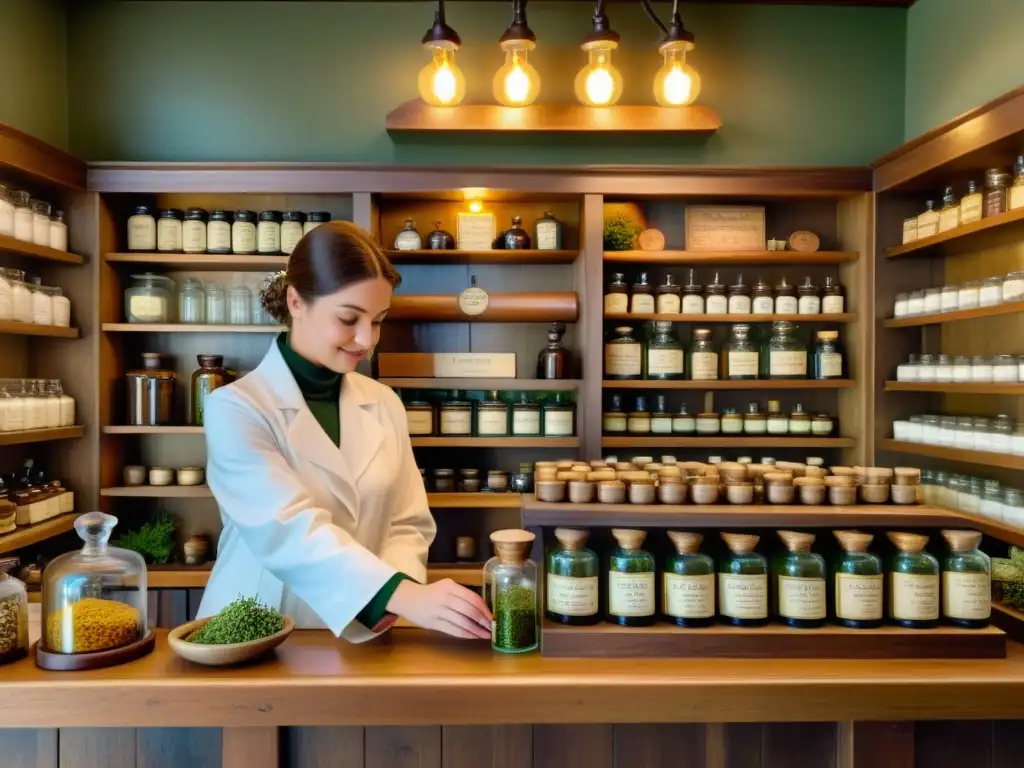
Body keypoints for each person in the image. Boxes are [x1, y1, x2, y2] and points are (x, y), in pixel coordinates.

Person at [198, 221, 492, 642]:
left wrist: (393, 601)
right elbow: (286, 527)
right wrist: (398, 594)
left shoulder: (383, 402)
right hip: (260, 629)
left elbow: (407, 522)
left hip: (368, 627)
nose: (366, 340)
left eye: (378, 321)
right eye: (349, 318)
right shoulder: (237, 407)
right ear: (296, 301)